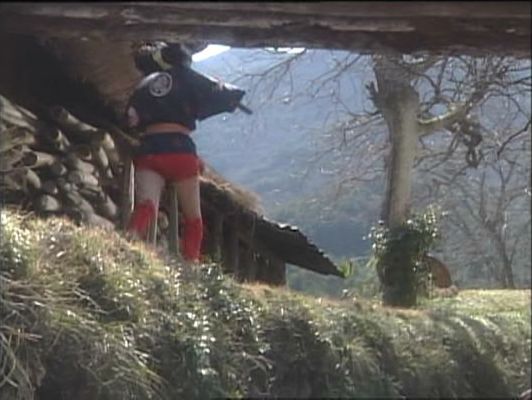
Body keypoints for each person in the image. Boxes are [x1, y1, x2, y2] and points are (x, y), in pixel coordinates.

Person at [125, 42, 205, 262]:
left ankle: (126, 247)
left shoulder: (143, 85)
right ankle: (190, 265)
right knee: (193, 218)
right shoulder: (191, 80)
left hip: (150, 149)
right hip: (181, 151)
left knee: (146, 206)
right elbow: (208, 101)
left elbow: (131, 119)